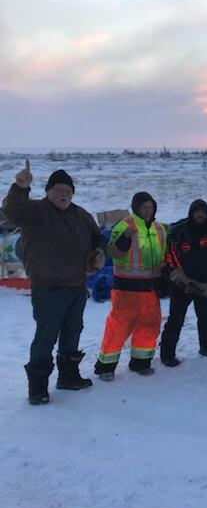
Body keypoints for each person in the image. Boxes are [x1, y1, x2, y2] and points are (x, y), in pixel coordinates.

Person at [3, 161, 105, 405]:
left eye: (68, 190)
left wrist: (98, 253)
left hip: (76, 287)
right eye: (59, 189)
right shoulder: (35, 211)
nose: (64, 193)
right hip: (47, 289)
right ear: (48, 191)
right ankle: (38, 388)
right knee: (46, 337)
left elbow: (97, 238)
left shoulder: (82, 216)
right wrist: (20, 187)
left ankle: (68, 377)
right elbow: (11, 212)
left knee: (73, 333)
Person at [94, 192, 167, 380]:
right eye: (144, 207)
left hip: (150, 287)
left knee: (149, 327)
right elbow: (113, 252)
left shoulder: (159, 229)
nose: (148, 211)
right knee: (118, 328)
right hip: (126, 288)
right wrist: (125, 239)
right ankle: (106, 366)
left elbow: (162, 256)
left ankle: (140, 362)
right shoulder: (125, 225)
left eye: (150, 207)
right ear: (136, 208)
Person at [159, 199, 207, 366]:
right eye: (197, 211)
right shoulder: (179, 231)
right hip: (183, 284)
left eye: (203, 212)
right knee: (176, 319)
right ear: (191, 213)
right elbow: (170, 255)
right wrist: (179, 278)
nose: (200, 215)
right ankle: (167, 354)